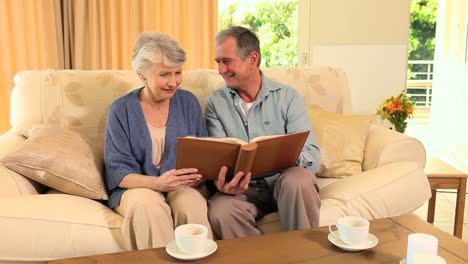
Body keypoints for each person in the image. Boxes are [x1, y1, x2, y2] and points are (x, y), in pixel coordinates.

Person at [205, 26, 321, 239]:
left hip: (284, 182)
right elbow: (219, 158)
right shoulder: (215, 103)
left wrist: (284, 156)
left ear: (253, 59)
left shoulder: (287, 97)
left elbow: (312, 156)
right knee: (222, 210)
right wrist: (220, 182)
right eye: (218, 62)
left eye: (227, 61)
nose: (221, 70)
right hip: (243, 190)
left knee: (299, 180)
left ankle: (303, 256)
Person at [104, 31, 212, 250]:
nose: (173, 82)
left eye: (178, 73)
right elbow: (117, 172)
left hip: (181, 187)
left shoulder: (189, 102)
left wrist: (197, 178)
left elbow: (205, 155)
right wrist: (157, 184)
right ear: (142, 74)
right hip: (136, 189)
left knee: (190, 203)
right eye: (165, 74)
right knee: (148, 205)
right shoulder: (120, 109)